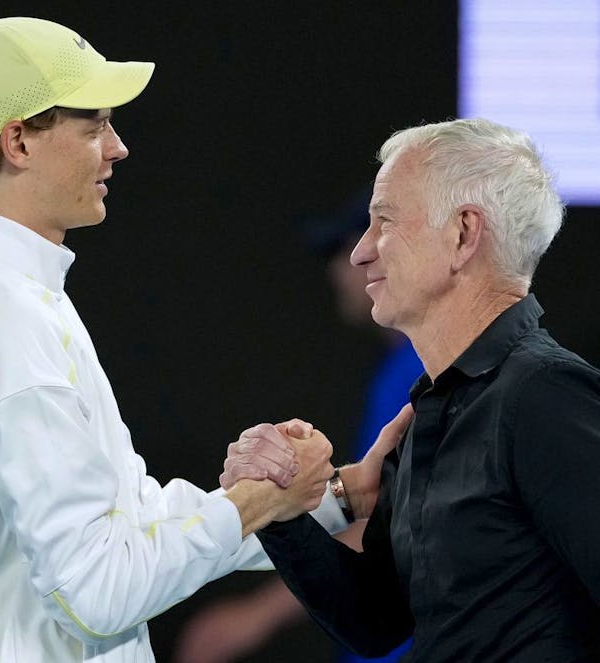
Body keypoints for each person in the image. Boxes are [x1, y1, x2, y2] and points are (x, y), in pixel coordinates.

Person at [0, 17, 386, 663]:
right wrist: (258, 499)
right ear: (18, 141)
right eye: (95, 125)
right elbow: (97, 591)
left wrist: (335, 496)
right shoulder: (1, 324)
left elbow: (124, 521)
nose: (118, 147)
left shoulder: (15, 294)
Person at [222, 118, 600, 661]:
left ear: (462, 234)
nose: (361, 253)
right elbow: (377, 618)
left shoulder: (553, 399)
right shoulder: (432, 410)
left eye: (384, 222)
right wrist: (282, 510)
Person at [173, 192, 422, 663]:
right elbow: (372, 498)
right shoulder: (399, 371)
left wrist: (257, 614)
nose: (340, 268)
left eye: (344, 249)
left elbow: (384, 522)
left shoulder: (421, 376)